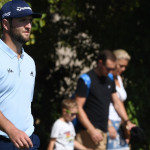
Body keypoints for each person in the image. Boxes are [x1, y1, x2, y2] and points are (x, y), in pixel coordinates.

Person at [0, 0, 41, 149]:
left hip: (28, 141)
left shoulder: (29, 62)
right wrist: (11, 130)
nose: (28, 26)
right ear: (6, 24)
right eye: (22, 20)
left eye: (29, 21)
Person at [75, 50, 135, 150]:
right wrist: (91, 129)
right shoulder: (86, 80)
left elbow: (117, 103)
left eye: (113, 69)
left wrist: (127, 122)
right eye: (108, 68)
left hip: (103, 132)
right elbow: (78, 107)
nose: (111, 71)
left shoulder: (109, 79)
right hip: (87, 132)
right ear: (100, 63)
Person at [107, 49, 131, 150]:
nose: (123, 69)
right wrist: (108, 124)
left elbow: (120, 103)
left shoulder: (119, 79)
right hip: (108, 121)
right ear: (114, 63)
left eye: (125, 66)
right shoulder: (107, 78)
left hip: (119, 123)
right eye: (121, 66)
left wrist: (127, 124)